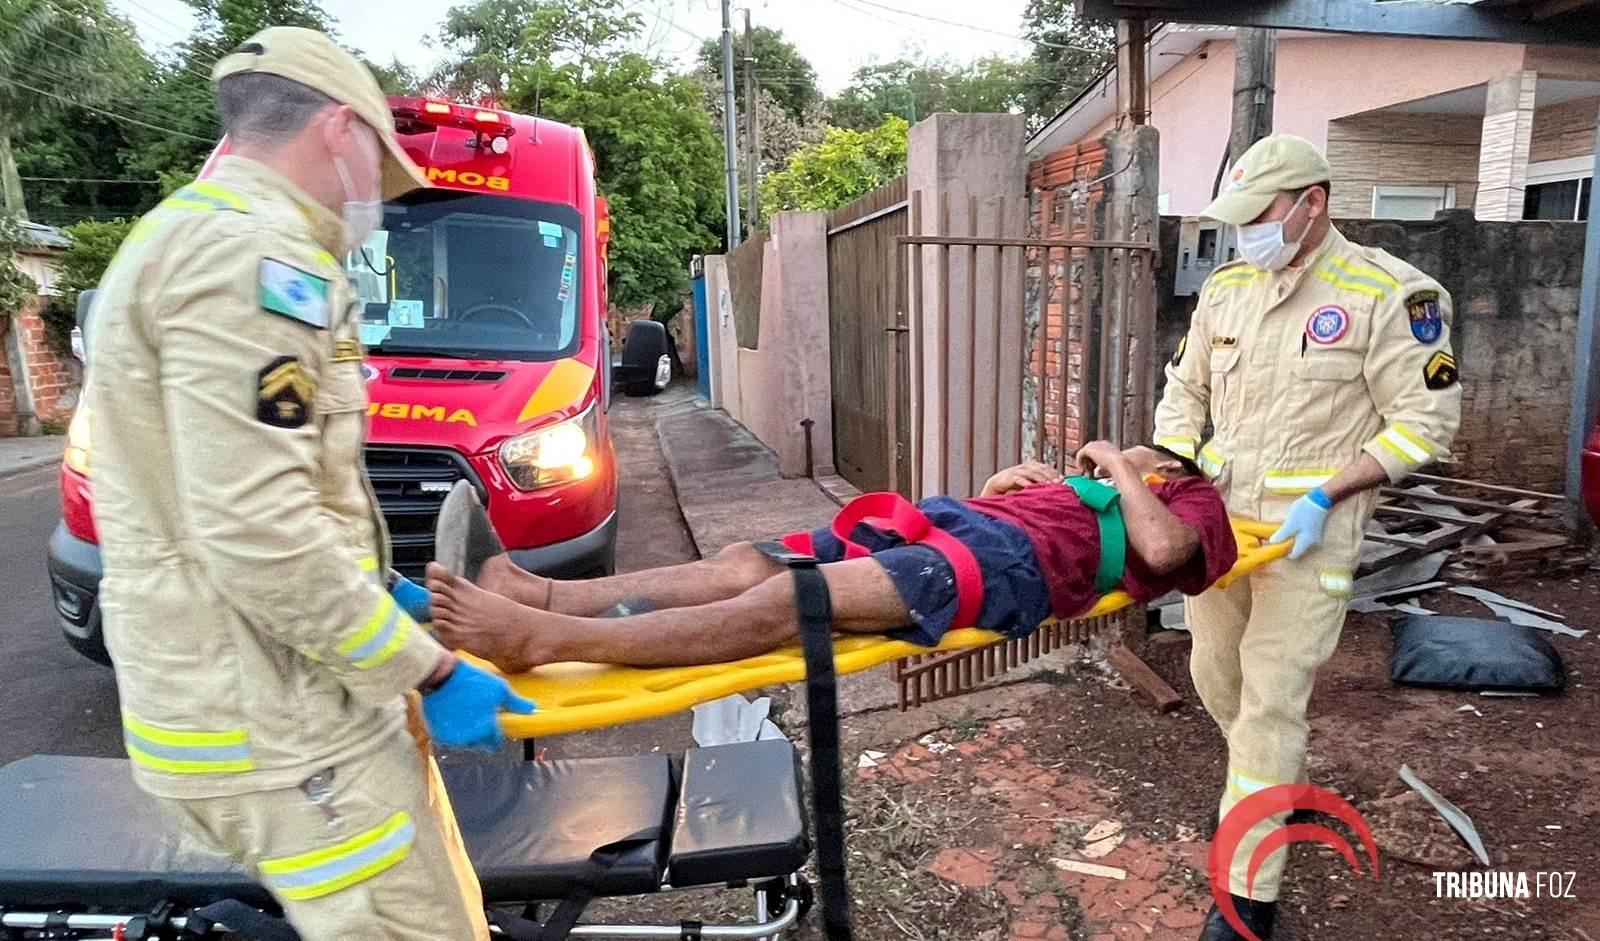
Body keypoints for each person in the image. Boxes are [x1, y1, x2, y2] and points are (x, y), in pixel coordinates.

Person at [83, 27, 532, 941]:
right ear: (340, 130)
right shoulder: (256, 260)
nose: (376, 192)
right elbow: (258, 530)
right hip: (283, 729)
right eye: (380, 160)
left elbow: (237, 489)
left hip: (258, 706)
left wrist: (376, 588)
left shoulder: (182, 234)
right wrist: (431, 670)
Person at [1153, 134, 1462, 941]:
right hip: (1219, 531)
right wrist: (1174, 469)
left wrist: (1327, 495)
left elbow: (1425, 423)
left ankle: (1245, 895)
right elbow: (1184, 390)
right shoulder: (1228, 288)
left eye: (1258, 216)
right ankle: (1266, 783)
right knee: (1217, 677)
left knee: (1269, 702)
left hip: (1307, 538)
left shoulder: (1391, 294)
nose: (1244, 233)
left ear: (1311, 203)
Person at [421, 443, 1239, 672]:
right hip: (955, 525)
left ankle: (544, 639)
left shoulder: (1185, 497)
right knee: (745, 561)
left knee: (786, 604)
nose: (1107, 462)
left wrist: (1119, 461)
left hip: (998, 568)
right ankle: (536, 594)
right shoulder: (1106, 486)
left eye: (1136, 452)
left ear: (1172, 463)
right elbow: (1031, 509)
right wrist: (1008, 482)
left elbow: (1166, 551)